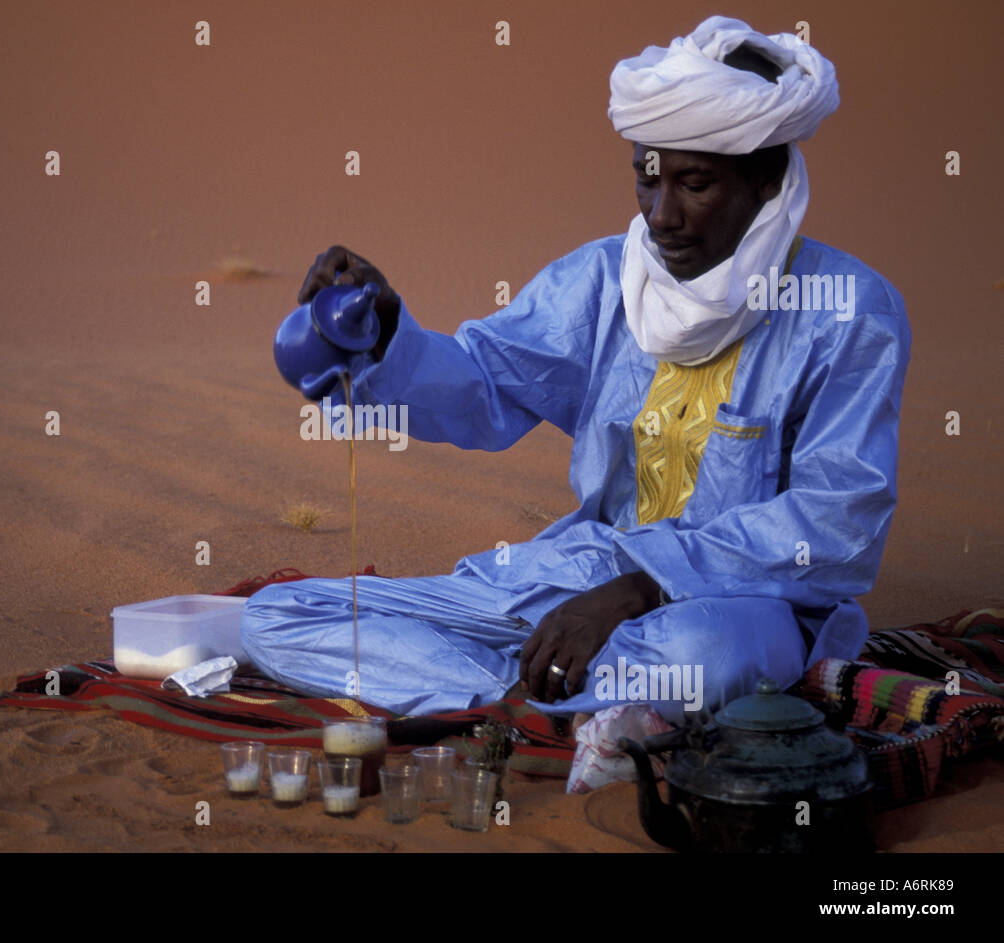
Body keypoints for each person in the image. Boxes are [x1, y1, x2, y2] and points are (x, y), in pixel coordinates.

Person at [242, 16, 910, 725]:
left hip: (744, 606)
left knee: (704, 654)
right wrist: (384, 336)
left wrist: (641, 585)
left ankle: (494, 688)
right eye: (647, 180)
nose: (662, 216)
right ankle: (519, 701)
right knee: (279, 615)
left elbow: (835, 524)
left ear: (766, 179)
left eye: (695, 185)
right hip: (578, 573)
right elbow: (482, 384)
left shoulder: (847, 310)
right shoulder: (605, 279)